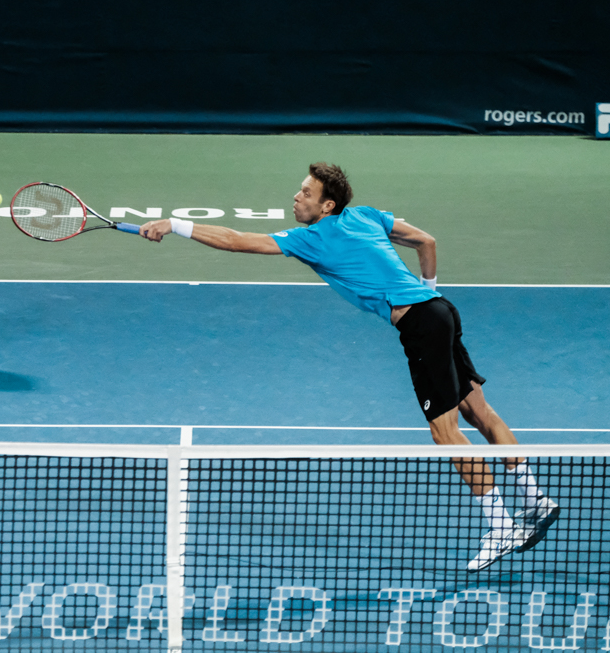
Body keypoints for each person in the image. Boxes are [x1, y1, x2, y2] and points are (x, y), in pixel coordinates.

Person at [139, 162, 558, 572]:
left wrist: (175, 225)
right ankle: (535, 500)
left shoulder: (313, 238)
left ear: (326, 206)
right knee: (478, 412)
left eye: (306, 192)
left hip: (421, 326)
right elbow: (426, 242)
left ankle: (502, 528)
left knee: (445, 433)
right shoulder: (366, 216)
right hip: (443, 311)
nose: (297, 196)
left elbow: (235, 240)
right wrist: (427, 294)